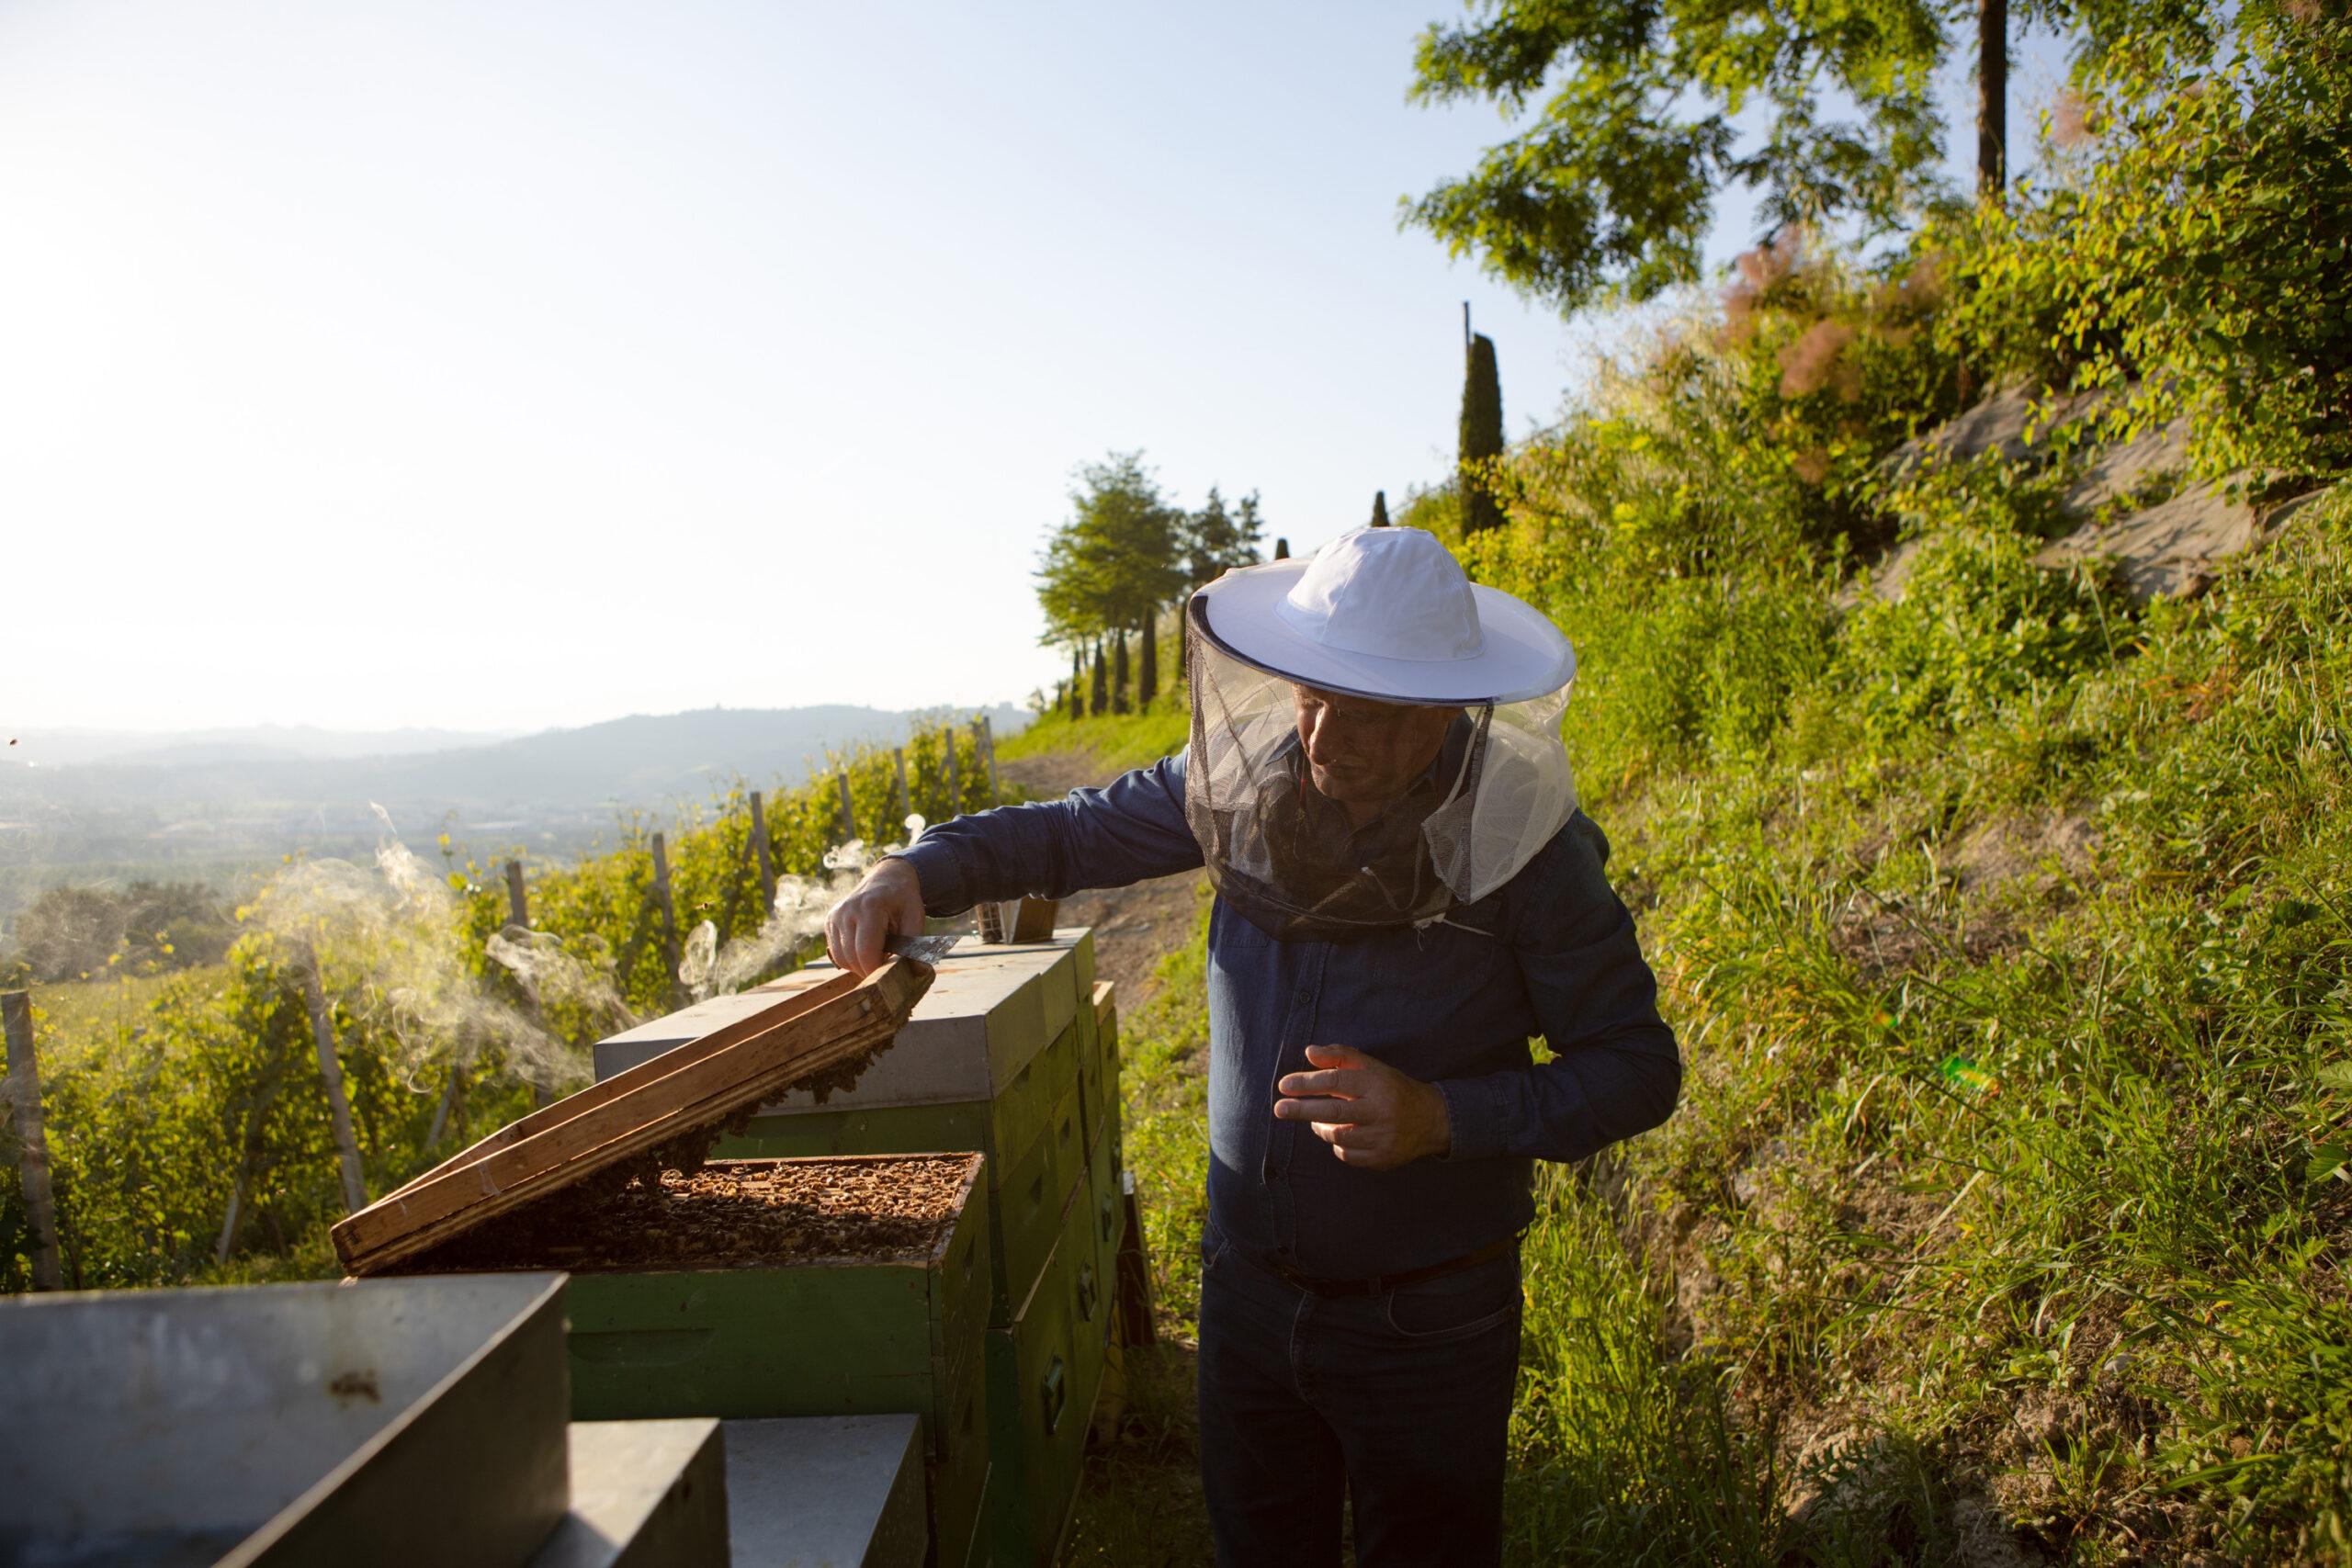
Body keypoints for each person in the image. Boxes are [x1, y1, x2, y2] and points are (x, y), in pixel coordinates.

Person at [827, 525, 1679, 1567]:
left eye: (1364, 715)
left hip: (1428, 1326)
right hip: (1244, 1298)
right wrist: (917, 870)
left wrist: (1444, 1117)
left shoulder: (1527, 848)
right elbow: (1072, 830)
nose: (1324, 741)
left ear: (1444, 710)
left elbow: (1636, 1067)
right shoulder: (1248, 781)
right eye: (1312, 698)